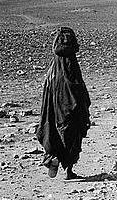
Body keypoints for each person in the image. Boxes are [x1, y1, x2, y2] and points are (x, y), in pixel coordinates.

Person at [37, 27, 91, 180]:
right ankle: (69, 170)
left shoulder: (53, 69)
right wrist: (82, 106)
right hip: (70, 107)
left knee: (54, 131)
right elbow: (77, 87)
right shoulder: (71, 64)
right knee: (72, 134)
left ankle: (53, 157)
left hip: (54, 108)